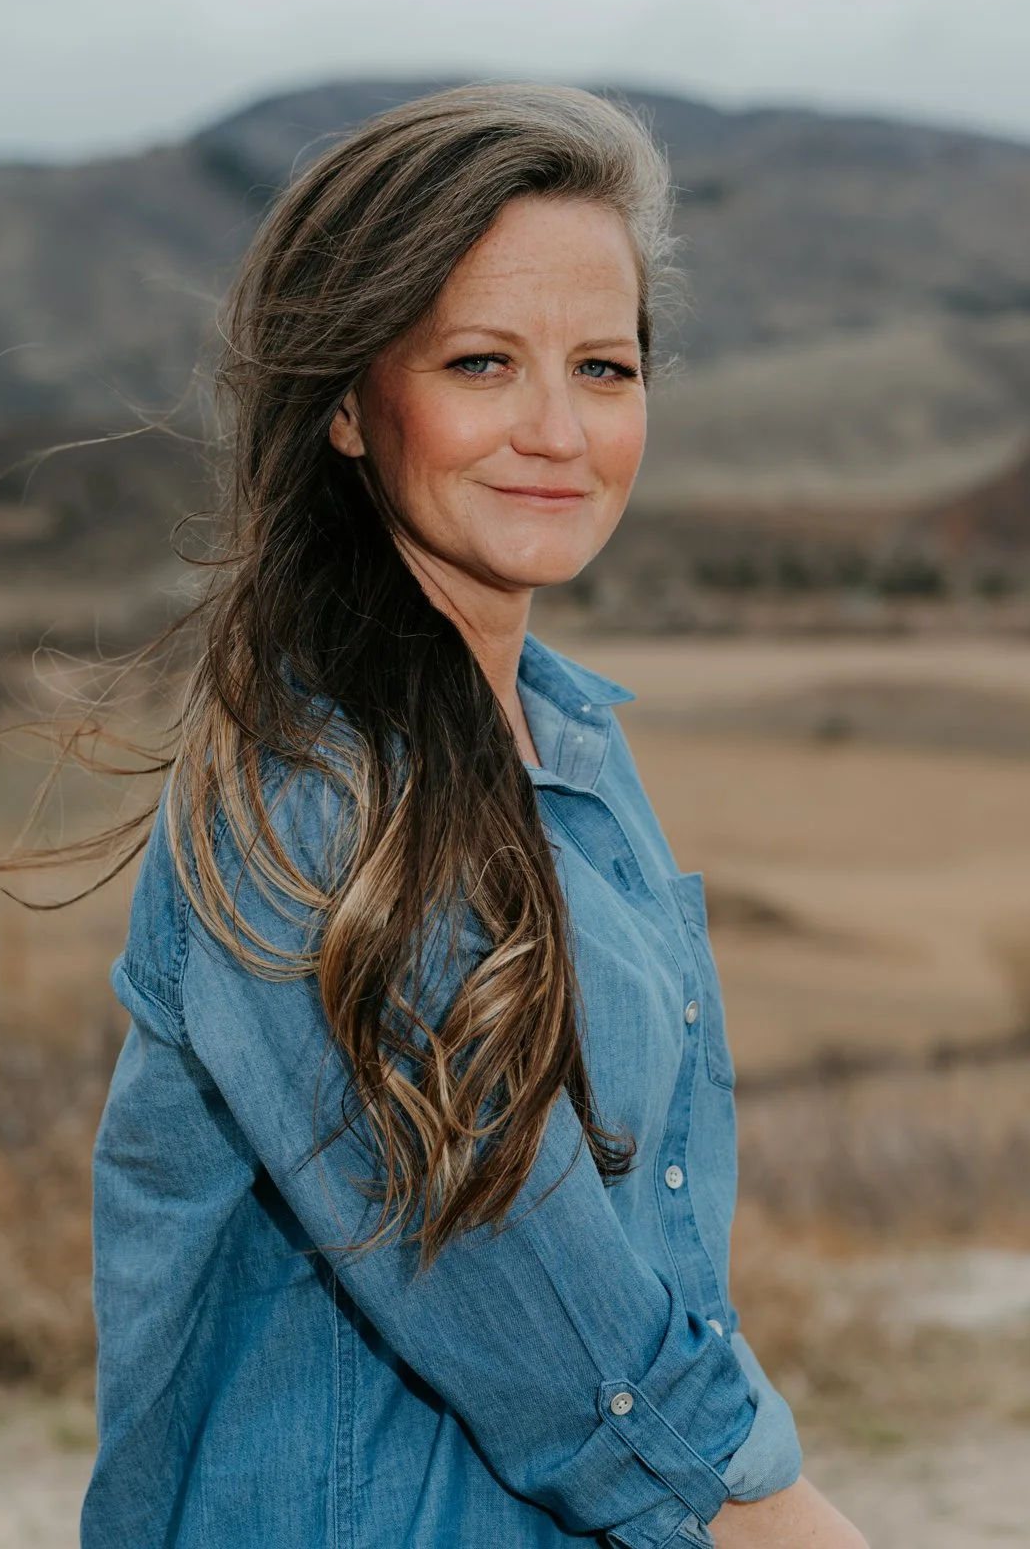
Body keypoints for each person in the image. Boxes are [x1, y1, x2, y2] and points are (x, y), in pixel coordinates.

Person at [80, 85, 867, 1548]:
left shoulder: (560, 740)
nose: (558, 430)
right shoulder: (317, 810)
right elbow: (575, 1359)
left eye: (606, 367)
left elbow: (654, 1268)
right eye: (481, 362)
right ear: (344, 405)